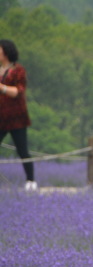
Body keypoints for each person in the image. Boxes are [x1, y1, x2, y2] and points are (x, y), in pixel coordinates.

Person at [0, 39, 36, 191]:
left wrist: (1, 87)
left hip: (16, 118)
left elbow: (18, 91)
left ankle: (30, 180)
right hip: (0, 117)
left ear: (6, 52)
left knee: (22, 150)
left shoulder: (18, 71)